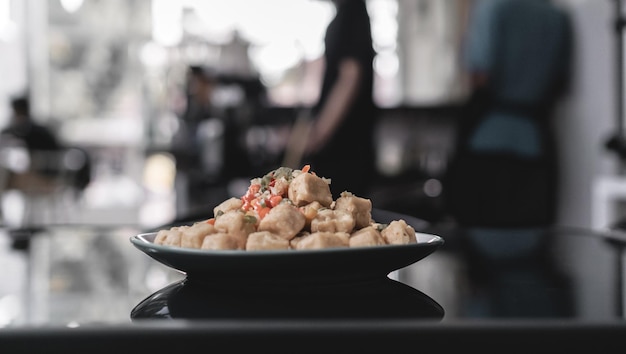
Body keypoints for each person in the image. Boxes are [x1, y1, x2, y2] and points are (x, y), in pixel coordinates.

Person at [443, 0, 574, 317]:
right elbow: (561, 82)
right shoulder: (558, 17)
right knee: (534, 257)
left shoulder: (493, 7)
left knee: (483, 255)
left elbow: (481, 73)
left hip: (489, 145)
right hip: (536, 146)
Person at [299, 0, 378, 199]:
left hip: (346, 149)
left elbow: (350, 76)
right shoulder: (347, 13)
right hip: (344, 146)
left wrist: (318, 133)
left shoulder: (352, 12)